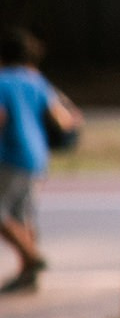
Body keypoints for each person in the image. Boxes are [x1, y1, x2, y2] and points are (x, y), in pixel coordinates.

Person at [0, 28, 80, 295]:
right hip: (37, 156)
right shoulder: (38, 81)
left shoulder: (3, 81)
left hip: (10, 154)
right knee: (24, 215)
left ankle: (32, 256)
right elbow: (64, 119)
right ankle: (28, 276)